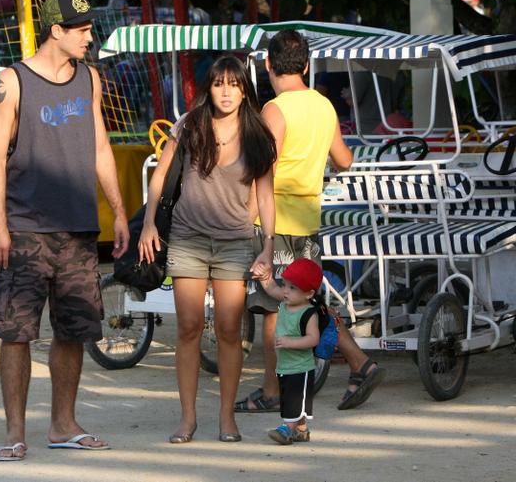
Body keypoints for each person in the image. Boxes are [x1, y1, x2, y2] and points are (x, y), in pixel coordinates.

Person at [0, 0, 129, 461]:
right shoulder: (12, 82)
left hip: (79, 228)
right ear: (57, 31)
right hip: (26, 228)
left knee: (74, 331)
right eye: (82, 29)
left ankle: (63, 425)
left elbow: (101, 149)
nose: (90, 36)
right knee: (17, 333)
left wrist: (120, 212)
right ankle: (14, 432)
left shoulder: (90, 79)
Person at [234, 30, 385, 414]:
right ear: (305, 65)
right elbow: (345, 160)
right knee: (306, 301)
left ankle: (271, 391)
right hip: (307, 220)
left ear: (267, 64)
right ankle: (359, 362)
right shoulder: (323, 105)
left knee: (274, 308)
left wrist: (243, 217)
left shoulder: (274, 110)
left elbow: (262, 172)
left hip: (276, 221)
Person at [139, 55, 277, 444]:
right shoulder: (190, 123)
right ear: (209, 88)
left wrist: (266, 245)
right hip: (187, 239)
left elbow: (265, 196)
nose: (227, 91)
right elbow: (161, 173)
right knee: (188, 328)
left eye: (234, 84)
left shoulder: (257, 134)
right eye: (219, 84)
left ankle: (226, 418)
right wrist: (148, 223)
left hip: (235, 241)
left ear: (244, 89)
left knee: (230, 330)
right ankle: (187, 419)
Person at [254, 258, 322, 444]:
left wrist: (291, 342)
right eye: (285, 285)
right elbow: (271, 288)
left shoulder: (308, 313)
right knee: (291, 399)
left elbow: (313, 339)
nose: (285, 290)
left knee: (293, 400)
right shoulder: (285, 303)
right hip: (285, 365)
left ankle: (287, 429)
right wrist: (264, 277)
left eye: (292, 288)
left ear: (309, 293)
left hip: (301, 367)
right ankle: (301, 429)